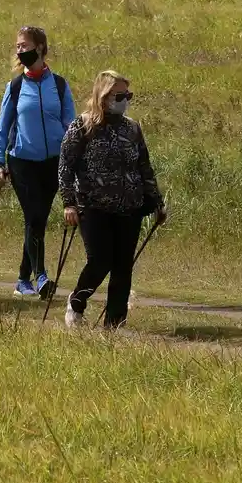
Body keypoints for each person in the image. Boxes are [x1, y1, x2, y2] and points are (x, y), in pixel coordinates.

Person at [58, 70, 166, 329]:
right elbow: (65, 167)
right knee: (100, 260)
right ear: (103, 95)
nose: (124, 100)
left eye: (128, 95)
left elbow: (144, 166)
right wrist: (69, 203)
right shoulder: (82, 126)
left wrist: (156, 201)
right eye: (119, 95)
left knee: (122, 267)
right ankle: (76, 303)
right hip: (93, 207)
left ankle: (115, 324)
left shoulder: (132, 128)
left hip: (129, 206)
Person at [0, 25, 76, 298]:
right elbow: (2, 128)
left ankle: (22, 279)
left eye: (24, 45)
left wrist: (74, 160)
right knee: (35, 216)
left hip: (53, 163)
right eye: (17, 46)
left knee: (35, 221)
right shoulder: (15, 87)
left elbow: (71, 126)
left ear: (40, 47)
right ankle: (40, 278)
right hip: (22, 162)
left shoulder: (60, 85)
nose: (19, 50)